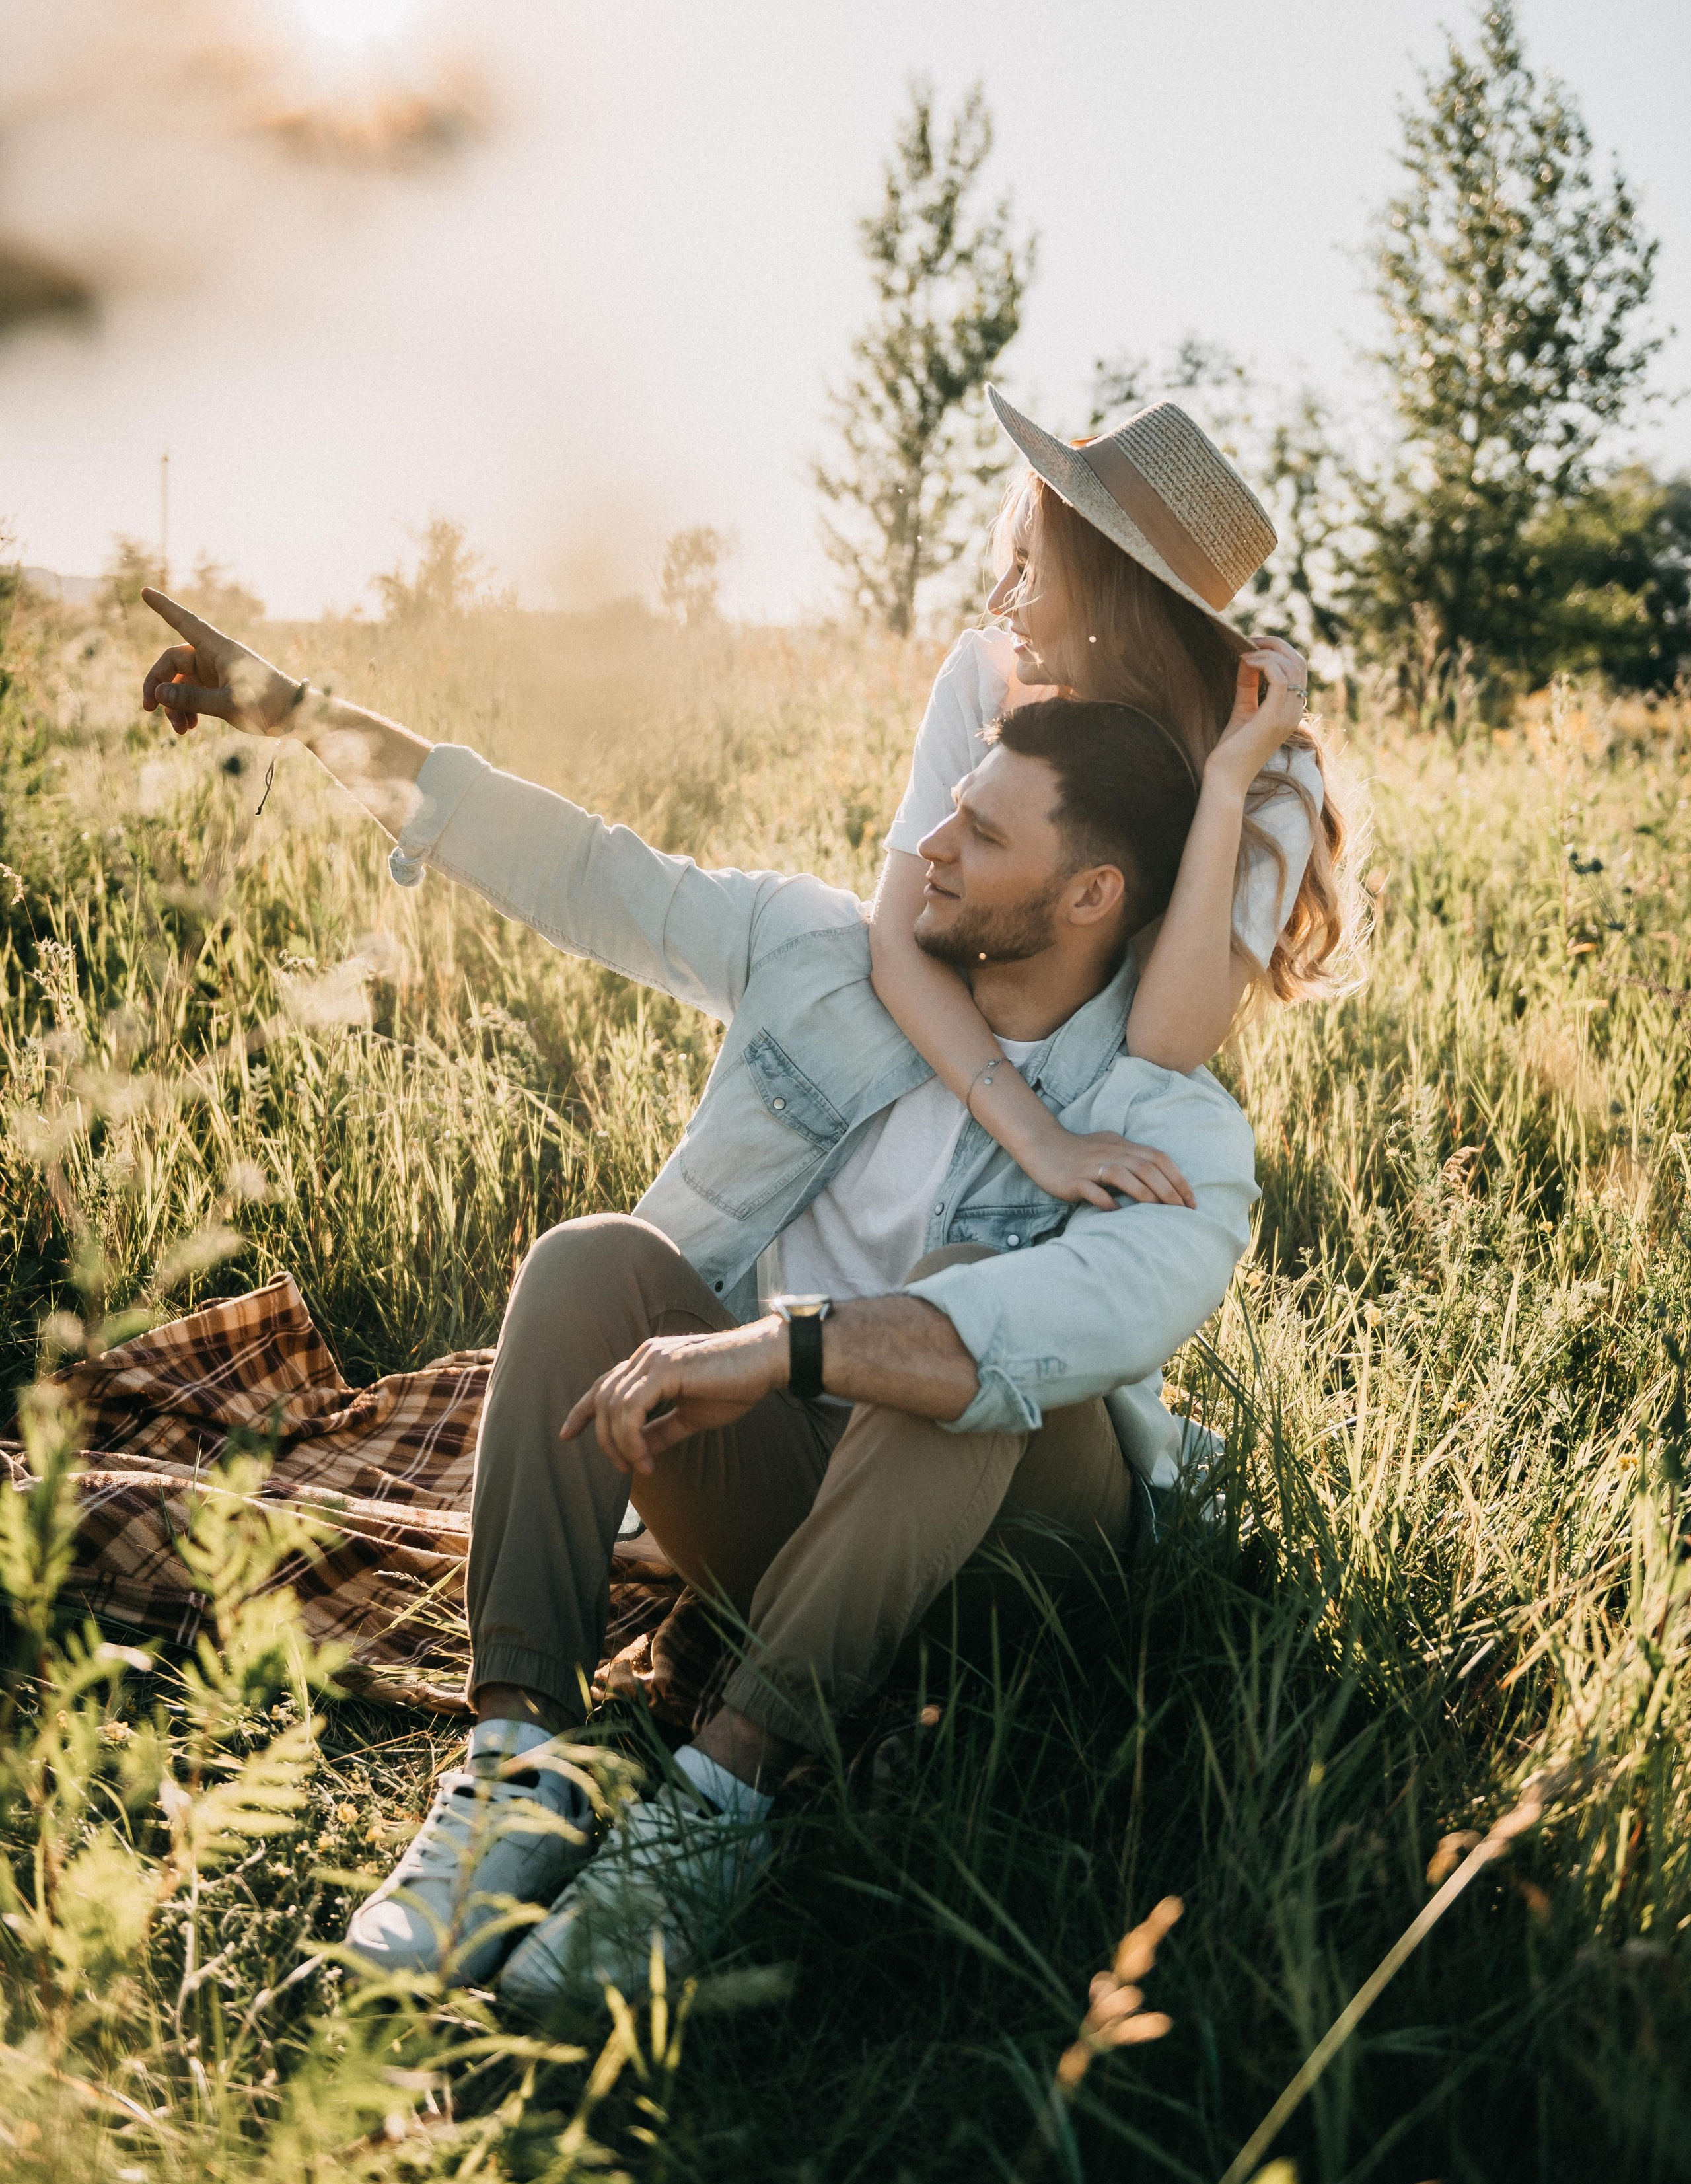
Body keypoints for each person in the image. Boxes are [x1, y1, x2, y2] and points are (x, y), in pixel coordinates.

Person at [133, 439, 1266, 2014]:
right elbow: (572, 860)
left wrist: (776, 1349)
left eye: (979, 838)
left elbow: (1035, 1335)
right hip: (792, 1505)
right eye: (947, 803)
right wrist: (300, 709)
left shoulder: (1168, 1130)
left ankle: (714, 1804)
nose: (922, 849)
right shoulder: (813, 951)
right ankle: (512, 1766)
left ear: (1090, 897)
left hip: (1014, 1577)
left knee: (956, 1332)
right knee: (592, 1258)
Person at [866, 386, 1355, 1221]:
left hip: (1106, 1140)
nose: (997, 601)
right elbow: (895, 938)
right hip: (934, 1073)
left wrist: (1225, 786)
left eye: (1028, 570)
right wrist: (1036, 1140)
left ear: (1111, 590)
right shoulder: (984, 678)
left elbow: (1164, 1042)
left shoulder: (1268, 773)